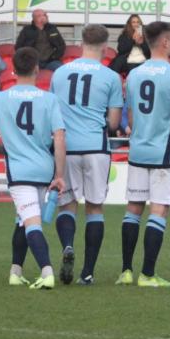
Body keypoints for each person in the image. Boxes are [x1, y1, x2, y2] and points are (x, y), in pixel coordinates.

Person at [0, 47, 66, 289]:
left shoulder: (0, 98)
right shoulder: (49, 99)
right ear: (37, 69)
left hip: (19, 172)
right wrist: (60, 175)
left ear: (13, 70)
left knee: (30, 222)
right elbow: (60, 137)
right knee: (24, 220)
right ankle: (15, 272)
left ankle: (46, 273)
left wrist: (5, 150)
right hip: (44, 169)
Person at [117, 21, 170, 288]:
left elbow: (131, 115)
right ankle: (147, 274)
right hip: (163, 153)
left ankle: (126, 271)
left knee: (133, 208)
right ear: (165, 42)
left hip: (138, 149)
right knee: (158, 210)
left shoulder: (134, 75)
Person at [48, 24, 123, 286]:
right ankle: (87, 273)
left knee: (67, 204)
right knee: (94, 207)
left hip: (66, 147)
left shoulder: (60, 73)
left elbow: (52, 112)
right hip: (96, 147)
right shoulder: (111, 77)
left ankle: (68, 245)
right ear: (106, 47)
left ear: (81, 43)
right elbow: (114, 123)